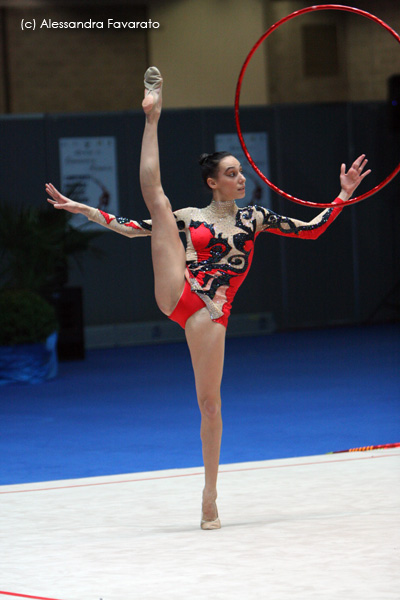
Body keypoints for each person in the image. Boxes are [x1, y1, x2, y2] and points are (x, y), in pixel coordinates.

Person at [46, 67, 371, 530]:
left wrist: (342, 194)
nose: (242, 178)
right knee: (157, 203)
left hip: (211, 314)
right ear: (213, 182)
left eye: (241, 172)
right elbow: (132, 227)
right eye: (232, 173)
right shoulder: (190, 216)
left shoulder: (255, 217)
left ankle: (210, 496)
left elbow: (312, 229)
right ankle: (151, 116)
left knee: (210, 405)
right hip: (178, 291)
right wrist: (84, 209)